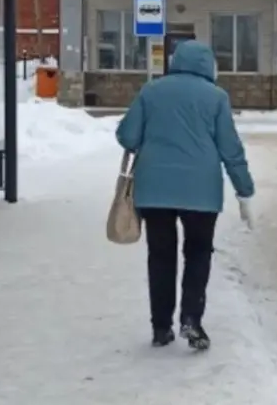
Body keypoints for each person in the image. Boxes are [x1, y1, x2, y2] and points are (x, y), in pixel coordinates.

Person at [115, 39, 255, 350]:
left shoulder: (151, 91)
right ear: (208, 65)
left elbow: (127, 136)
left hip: (154, 191)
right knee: (198, 253)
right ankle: (191, 319)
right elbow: (231, 149)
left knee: (160, 256)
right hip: (201, 192)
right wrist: (244, 191)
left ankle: (160, 327)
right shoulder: (216, 97)